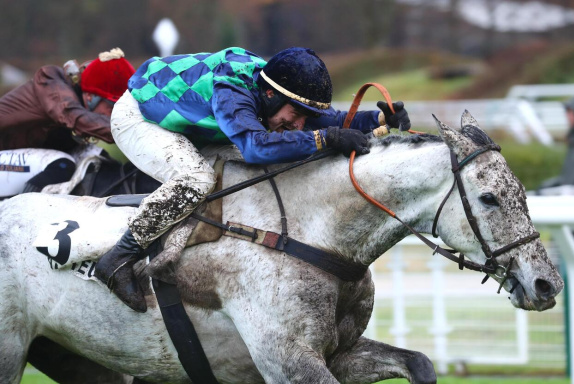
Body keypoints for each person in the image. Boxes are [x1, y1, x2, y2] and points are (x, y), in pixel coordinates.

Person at [97, 46, 411, 312]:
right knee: (197, 179)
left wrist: (379, 118)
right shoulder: (232, 90)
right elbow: (255, 147)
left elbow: (326, 120)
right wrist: (324, 139)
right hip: (139, 117)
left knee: (269, 160)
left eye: (303, 115)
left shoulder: (273, 90)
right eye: (295, 114)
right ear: (270, 95)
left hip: (187, 121)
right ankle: (119, 258)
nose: (298, 123)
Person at [0, 48, 135, 194]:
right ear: (90, 96)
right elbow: (76, 117)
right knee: (61, 165)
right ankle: (21, 209)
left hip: (19, 158)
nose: (116, 114)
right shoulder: (50, 83)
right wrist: (132, 130)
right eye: (112, 107)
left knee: (105, 163)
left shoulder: (76, 94)